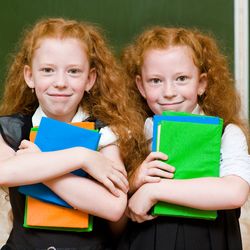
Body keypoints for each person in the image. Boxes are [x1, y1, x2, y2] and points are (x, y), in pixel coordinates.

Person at [0, 17, 144, 250]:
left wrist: (38, 166)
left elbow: (114, 207)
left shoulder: (105, 133)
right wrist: (82, 157)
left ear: (90, 79)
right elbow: (4, 172)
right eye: (47, 70)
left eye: (74, 72)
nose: (60, 82)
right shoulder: (11, 128)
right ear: (29, 76)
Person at [117, 27, 250, 250]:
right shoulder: (131, 133)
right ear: (140, 86)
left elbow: (234, 192)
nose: (169, 91)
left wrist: (153, 191)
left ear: (201, 83)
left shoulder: (227, 133)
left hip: (209, 241)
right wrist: (134, 180)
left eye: (181, 78)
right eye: (155, 81)